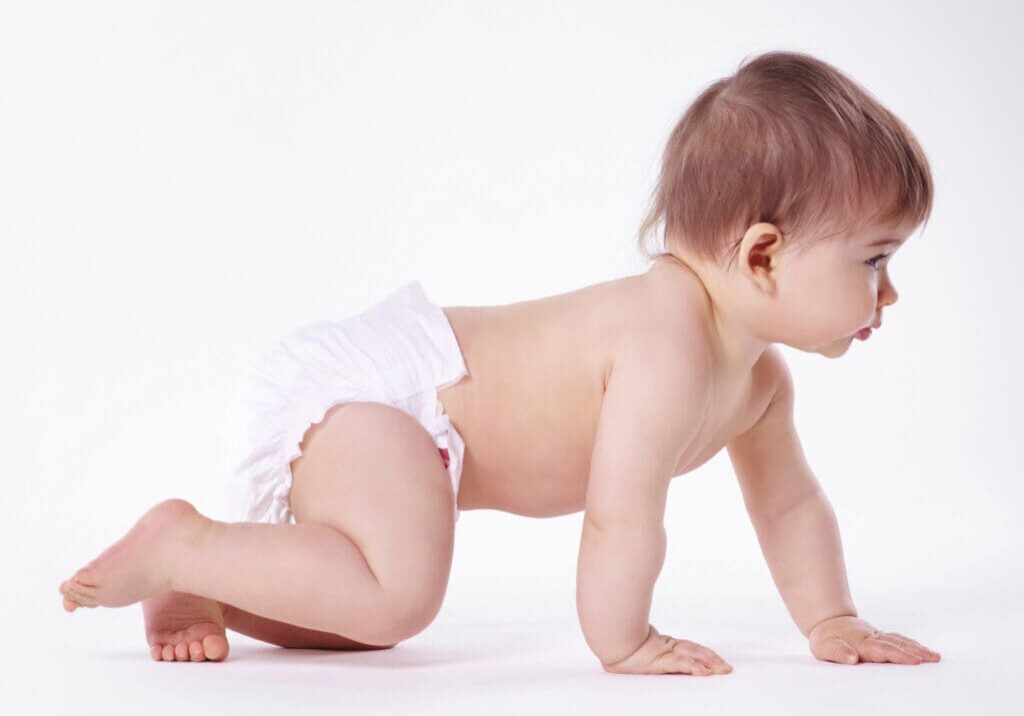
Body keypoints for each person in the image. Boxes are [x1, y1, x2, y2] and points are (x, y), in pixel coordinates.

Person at [58, 49, 942, 674]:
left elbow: (789, 506)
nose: (888, 291)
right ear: (761, 254)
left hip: (409, 439)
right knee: (402, 594)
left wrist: (832, 619)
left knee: (369, 625)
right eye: (874, 260)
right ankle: (183, 542)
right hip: (392, 401)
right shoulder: (665, 335)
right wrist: (623, 642)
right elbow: (619, 518)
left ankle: (206, 583)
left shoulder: (757, 386)